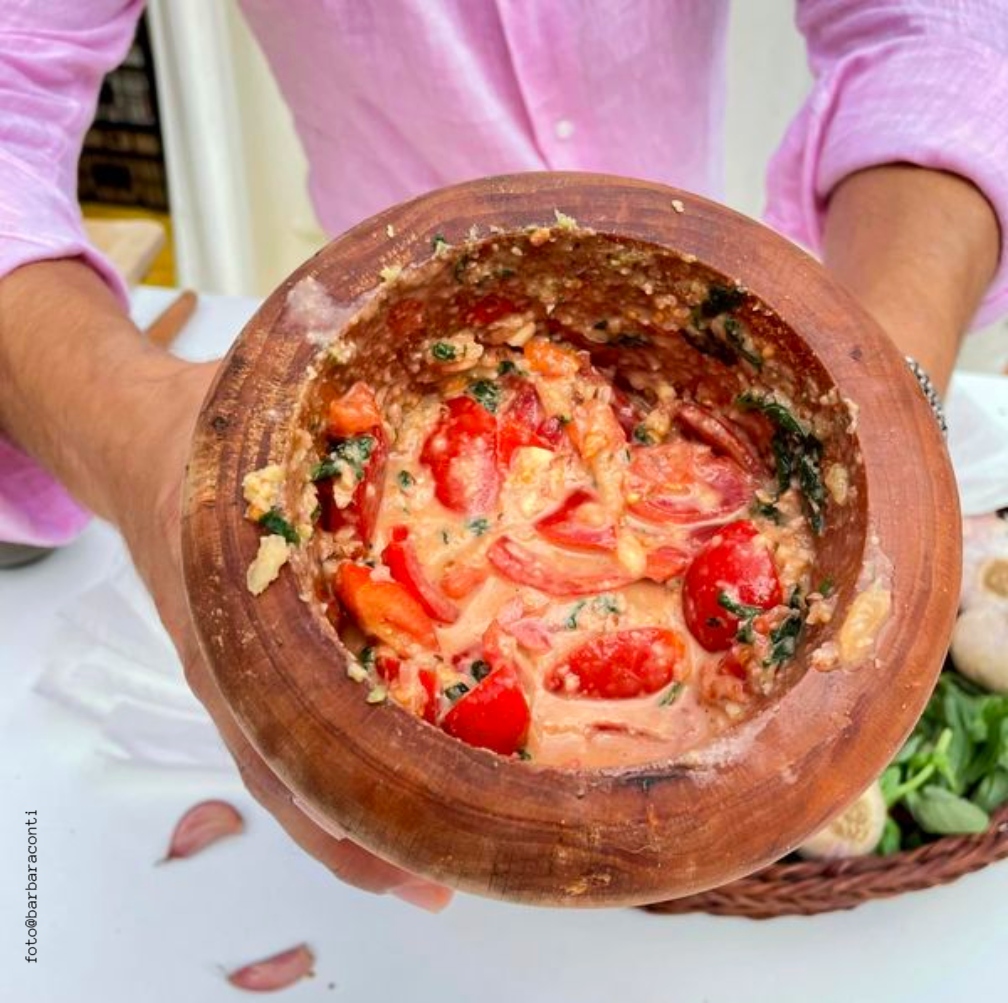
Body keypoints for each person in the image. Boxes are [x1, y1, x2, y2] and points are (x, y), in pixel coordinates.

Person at [0, 1, 1003, 912]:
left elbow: (939, 25)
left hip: (729, 283)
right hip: (364, 305)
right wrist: (139, 444)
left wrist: (888, 382)